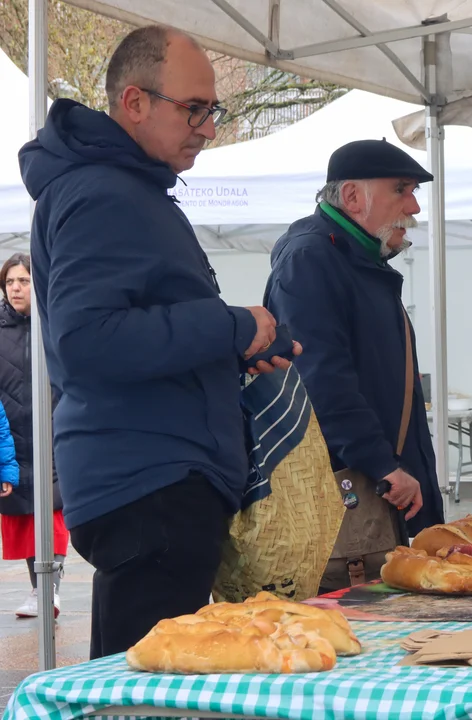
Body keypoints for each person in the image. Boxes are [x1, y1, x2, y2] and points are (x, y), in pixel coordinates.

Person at [18, 25, 296, 659]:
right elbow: (88, 341)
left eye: (213, 110)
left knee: (141, 683)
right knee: (146, 689)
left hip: (154, 478)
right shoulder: (102, 192)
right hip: (152, 484)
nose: (209, 128)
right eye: (194, 108)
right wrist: (229, 326)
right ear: (135, 102)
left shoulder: (121, 187)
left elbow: (130, 326)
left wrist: (236, 347)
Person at [264, 139, 443, 590]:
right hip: (346, 503)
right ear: (351, 197)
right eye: (401, 190)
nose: (414, 207)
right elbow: (321, 380)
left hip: (378, 495)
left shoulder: (357, 260)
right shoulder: (311, 259)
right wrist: (382, 464)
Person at [0, 253, 66, 619]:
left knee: (52, 513)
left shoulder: (54, 323)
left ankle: (49, 589)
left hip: (53, 433)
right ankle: (39, 589)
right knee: (25, 515)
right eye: (9, 282)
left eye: (23, 281)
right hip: (11, 438)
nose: (15, 288)